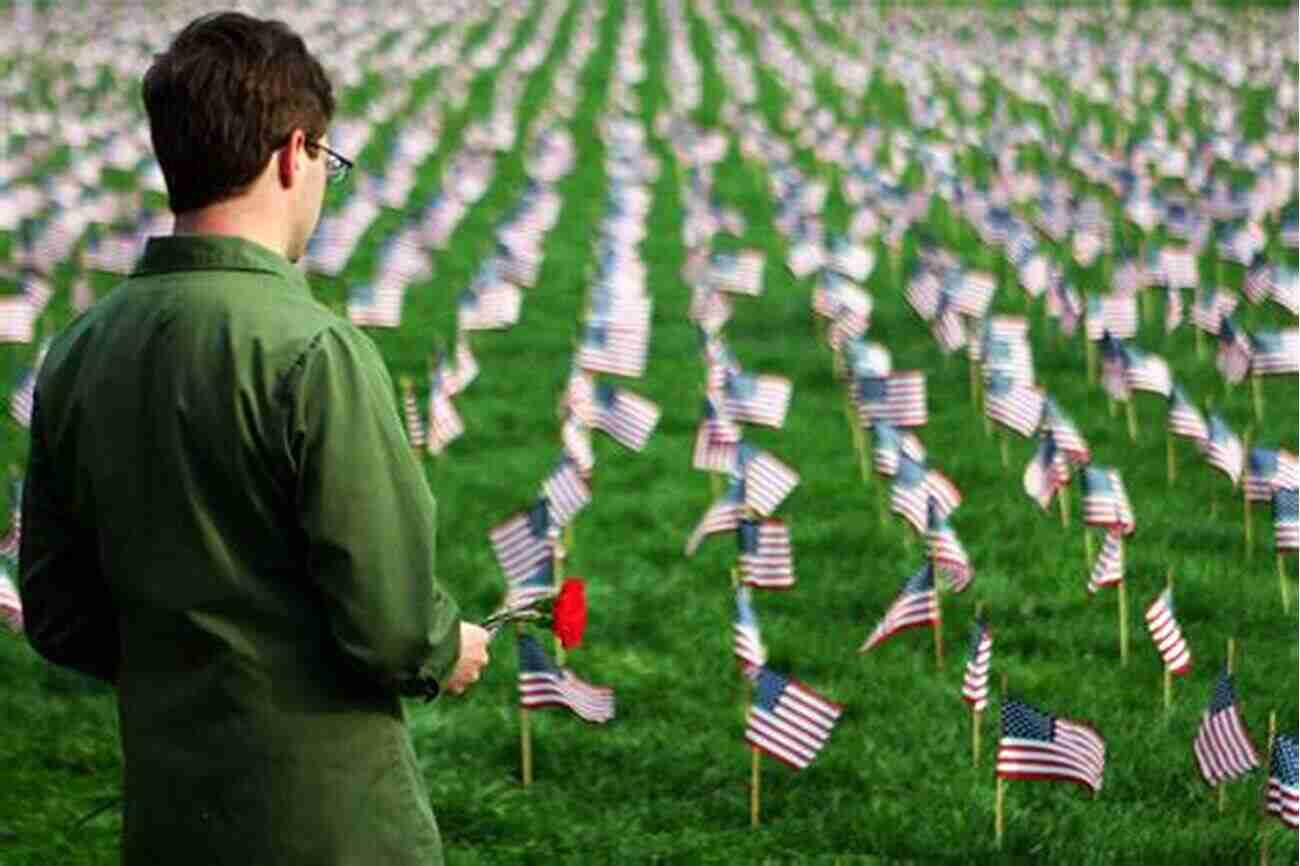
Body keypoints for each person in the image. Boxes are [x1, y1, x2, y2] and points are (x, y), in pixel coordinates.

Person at [17, 12, 489, 866]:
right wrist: (449, 646)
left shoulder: (80, 349)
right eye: (327, 163)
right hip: (328, 821)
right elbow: (390, 625)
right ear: (292, 154)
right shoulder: (314, 351)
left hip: (170, 814)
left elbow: (57, 615)